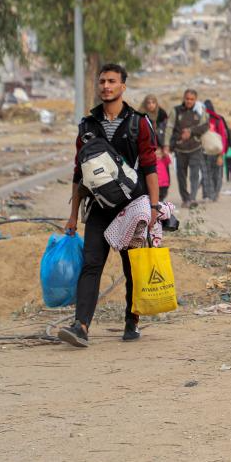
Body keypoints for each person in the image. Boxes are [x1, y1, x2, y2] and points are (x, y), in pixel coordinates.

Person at [58, 63, 158, 348]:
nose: (106, 86)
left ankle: (132, 320)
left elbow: (150, 167)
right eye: (102, 81)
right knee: (91, 264)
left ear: (123, 86)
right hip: (98, 208)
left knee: (132, 267)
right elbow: (79, 174)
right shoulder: (87, 125)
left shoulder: (138, 123)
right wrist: (72, 216)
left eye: (112, 81)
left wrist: (153, 207)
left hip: (132, 207)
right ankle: (81, 326)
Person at [168, 89, 209, 207]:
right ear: (183, 98)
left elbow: (205, 125)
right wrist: (167, 145)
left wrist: (191, 131)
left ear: (195, 100)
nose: (189, 101)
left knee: (194, 175)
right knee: (181, 176)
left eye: (192, 99)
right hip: (180, 149)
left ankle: (192, 198)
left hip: (195, 148)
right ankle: (185, 198)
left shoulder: (200, 111)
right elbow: (169, 128)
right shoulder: (176, 111)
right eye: (187, 99)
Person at [200, 99, 229, 203]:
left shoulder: (217, 120)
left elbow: (223, 137)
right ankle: (207, 195)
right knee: (205, 174)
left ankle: (215, 194)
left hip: (216, 152)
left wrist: (221, 155)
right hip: (203, 152)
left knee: (217, 174)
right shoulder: (198, 120)